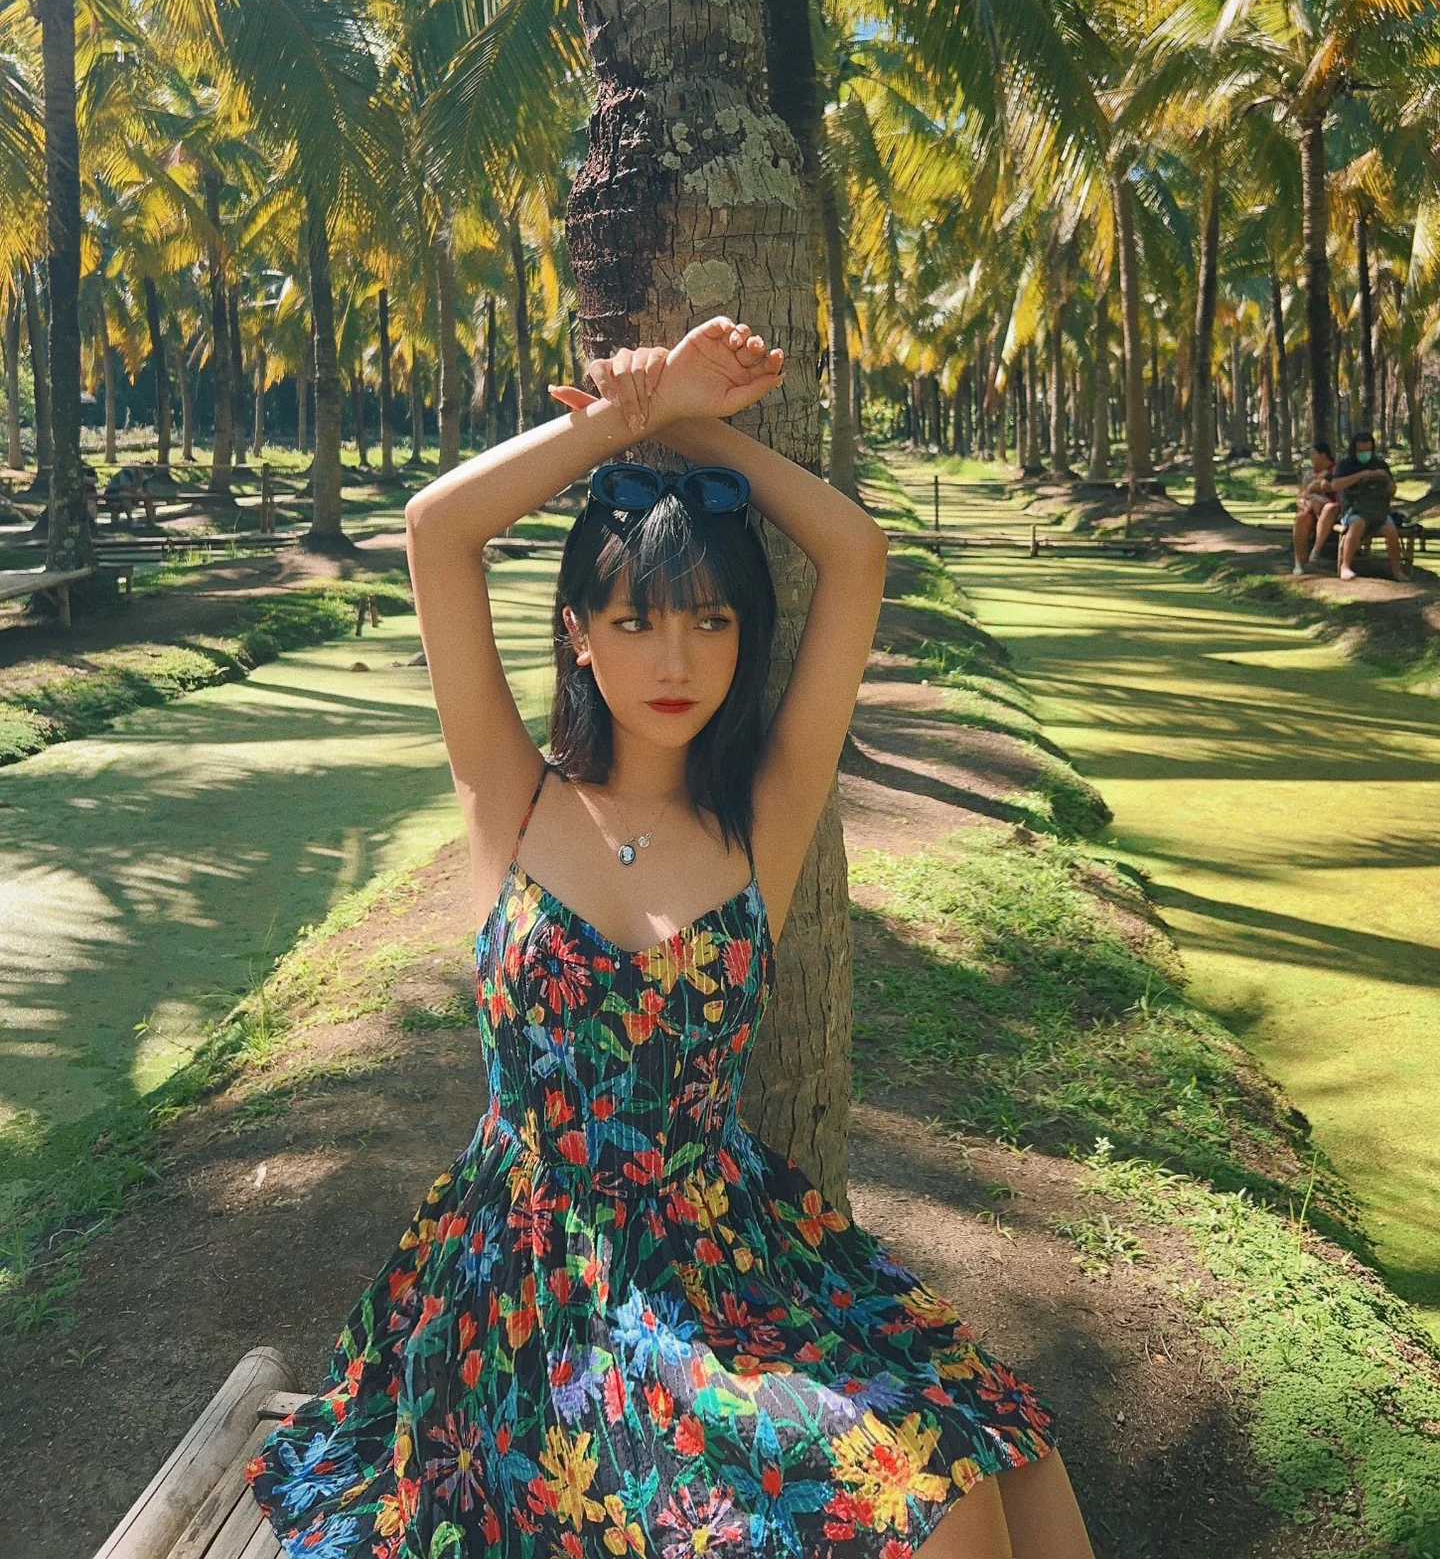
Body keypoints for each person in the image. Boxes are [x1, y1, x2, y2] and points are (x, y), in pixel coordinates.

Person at [247, 316, 1093, 1559]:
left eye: (710, 621)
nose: (676, 657)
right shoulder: (512, 793)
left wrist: (689, 419)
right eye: (637, 622)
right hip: (539, 1298)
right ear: (579, 636)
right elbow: (439, 531)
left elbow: (855, 552)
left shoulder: (763, 811)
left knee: (1011, 1466)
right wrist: (622, 420)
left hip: (733, 1257)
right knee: (943, 1508)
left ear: (747, 639)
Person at [1331, 429, 1402, 581]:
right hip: (1353, 510)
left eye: (1368, 450)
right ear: (1354, 449)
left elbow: (1392, 490)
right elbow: (1335, 485)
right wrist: (1361, 475)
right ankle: (1345, 566)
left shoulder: (1380, 464)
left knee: (1391, 529)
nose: (1365, 453)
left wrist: (1386, 479)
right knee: (1358, 523)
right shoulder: (1345, 465)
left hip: (1379, 510)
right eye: (1361, 450)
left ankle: (1397, 571)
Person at [1292, 440, 1340, 574]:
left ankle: (1315, 553)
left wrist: (1312, 490)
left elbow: (1331, 488)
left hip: (1333, 509)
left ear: (1323, 455)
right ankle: (1299, 563)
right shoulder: (1309, 474)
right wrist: (1303, 501)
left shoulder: (1337, 470)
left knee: (1326, 506)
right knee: (1302, 518)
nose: (1311, 458)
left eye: (1313, 454)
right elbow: (1301, 495)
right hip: (1312, 510)